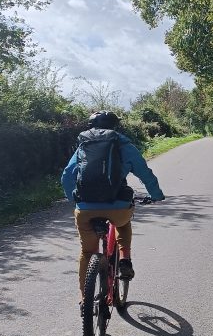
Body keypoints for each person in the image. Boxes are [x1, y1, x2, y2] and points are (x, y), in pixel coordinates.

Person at [61, 110, 165, 305]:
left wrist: (74, 200)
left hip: (85, 208)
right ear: (115, 126)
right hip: (117, 206)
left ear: (90, 127)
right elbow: (145, 172)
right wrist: (156, 195)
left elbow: (67, 176)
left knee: (86, 252)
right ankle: (124, 260)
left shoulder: (83, 146)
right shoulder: (124, 145)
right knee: (123, 224)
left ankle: (85, 300)